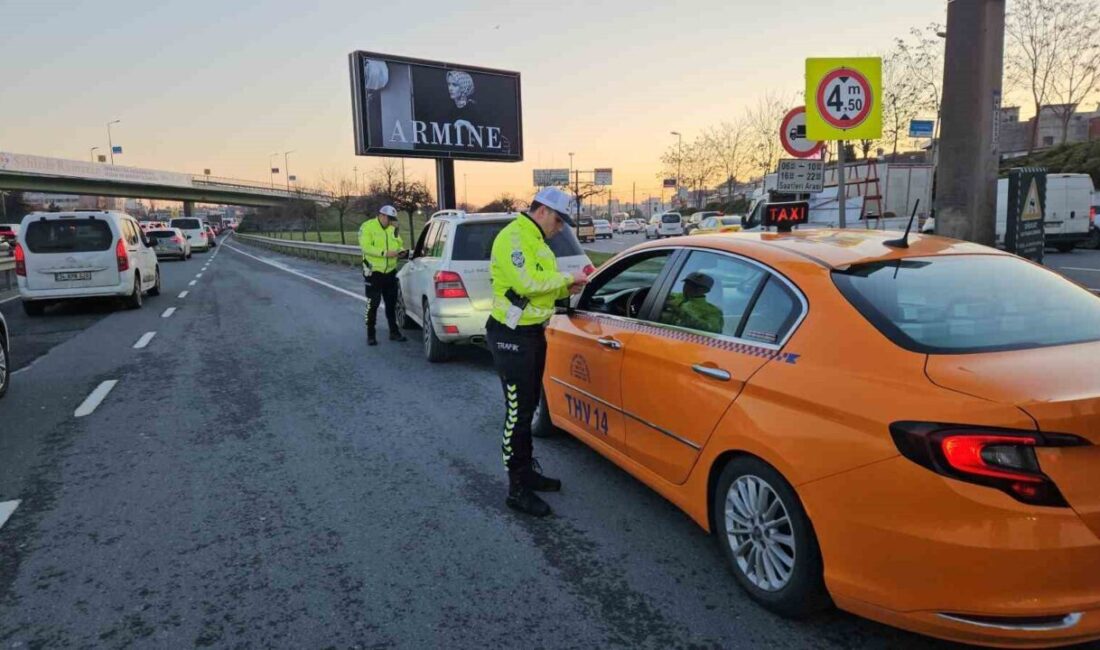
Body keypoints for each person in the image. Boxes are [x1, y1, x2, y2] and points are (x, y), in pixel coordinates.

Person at [485, 187, 590, 517]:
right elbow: (528, 282)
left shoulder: (535, 239)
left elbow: (540, 285)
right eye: (559, 220)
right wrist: (568, 277)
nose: (561, 228)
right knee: (517, 412)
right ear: (542, 210)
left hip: (531, 331)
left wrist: (565, 286)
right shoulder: (514, 237)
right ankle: (516, 487)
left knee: (528, 408)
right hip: (510, 334)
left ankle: (527, 472)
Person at [359, 205, 408, 346]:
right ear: (382, 216)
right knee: (372, 304)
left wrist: (402, 251)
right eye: (390, 219)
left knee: (391, 304)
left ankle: (394, 332)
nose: (392, 222)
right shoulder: (367, 227)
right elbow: (366, 247)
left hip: (390, 272)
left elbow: (399, 244)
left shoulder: (393, 229)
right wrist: (384, 253)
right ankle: (370, 334)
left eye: (393, 219)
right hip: (373, 273)